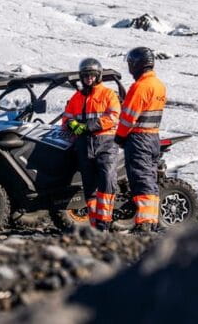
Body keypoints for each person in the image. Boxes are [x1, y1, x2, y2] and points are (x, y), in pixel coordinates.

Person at [63, 58, 121, 231]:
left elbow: (113, 116)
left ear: (98, 76)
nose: (89, 78)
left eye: (92, 75)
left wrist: (88, 126)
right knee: (89, 186)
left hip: (105, 143)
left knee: (107, 181)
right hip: (84, 144)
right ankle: (95, 226)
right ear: (81, 77)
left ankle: (104, 223)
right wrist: (72, 125)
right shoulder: (76, 97)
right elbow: (66, 118)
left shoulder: (108, 94)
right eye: (86, 75)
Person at [115, 47, 166, 233]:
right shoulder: (159, 85)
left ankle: (144, 223)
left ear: (136, 64)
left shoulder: (140, 86)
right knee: (150, 179)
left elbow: (129, 117)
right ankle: (151, 221)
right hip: (153, 137)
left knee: (141, 179)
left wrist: (120, 136)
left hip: (139, 138)